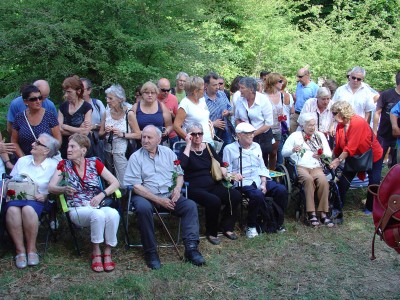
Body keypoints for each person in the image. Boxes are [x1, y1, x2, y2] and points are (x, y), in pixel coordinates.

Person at [123, 125, 205, 270]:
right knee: (143, 208)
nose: (145, 140)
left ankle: (191, 249)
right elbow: (135, 186)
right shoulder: (135, 157)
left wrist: (178, 189)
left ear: (159, 139)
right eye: (143, 137)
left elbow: (179, 174)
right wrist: (158, 200)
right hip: (145, 196)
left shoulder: (168, 153)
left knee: (190, 206)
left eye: (149, 137)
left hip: (169, 194)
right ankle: (151, 252)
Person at [49, 133, 120, 272]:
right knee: (98, 215)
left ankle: (108, 251)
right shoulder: (64, 165)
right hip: (78, 208)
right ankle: (96, 252)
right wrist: (63, 189)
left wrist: (101, 195)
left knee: (113, 214)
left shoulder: (94, 163)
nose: (68, 149)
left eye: (72, 146)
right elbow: (51, 187)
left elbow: (115, 182)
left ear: (83, 150)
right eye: (68, 146)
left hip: (97, 204)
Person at [179, 122, 241, 245]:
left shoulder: (207, 147)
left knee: (235, 195)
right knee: (214, 200)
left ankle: (226, 227)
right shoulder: (184, 150)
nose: (197, 136)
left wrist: (225, 170)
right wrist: (188, 144)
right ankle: (211, 232)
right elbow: (182, 166)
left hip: (212, 184)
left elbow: (220, 162)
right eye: (193, 134)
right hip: (194, 188)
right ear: (188, 135)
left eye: (200, 134)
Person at [4, 133, 60, 269]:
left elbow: (56, 187)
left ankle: (31, 249)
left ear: (46, 150)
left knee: (28, 209)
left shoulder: (54, 165)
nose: (33, 144)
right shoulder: (23, 160)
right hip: (16, 197)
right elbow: (10, 181)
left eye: (38, 143)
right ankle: (20, 250)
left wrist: (46, 195)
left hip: (38, 200)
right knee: (12, 210)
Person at [223, 123, 288, 238]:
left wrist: (263, 183)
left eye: (252, 133)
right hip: (243, 181)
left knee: (281, 189)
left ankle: (277, 222)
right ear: (239, 135)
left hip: (258, 179)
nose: (252, 135)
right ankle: (251, 226)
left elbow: (262, 167)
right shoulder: (229, 149)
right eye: (248, 133)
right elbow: (226, 171)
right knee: (257, 194)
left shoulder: (256, 146)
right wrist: (233, 174)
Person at [329, 101, 383, 220]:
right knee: (343, 181)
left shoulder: (358, 122)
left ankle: (370, 207)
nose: (332, 115)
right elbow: (338, 146)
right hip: (354, 158)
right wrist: (332, 159)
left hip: (372, 155)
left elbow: (350, 147)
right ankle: (337, 206)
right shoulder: (340, 125)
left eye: (334, 113)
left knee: (374, 181)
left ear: (342, 113)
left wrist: (338, 160)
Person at [282, 113, 333, 227]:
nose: (312, 127)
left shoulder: (320, 135)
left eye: (314, 125)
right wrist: (293, 150)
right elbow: (283, 152)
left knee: (323, 181)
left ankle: (323, 213)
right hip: (300, 166)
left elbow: (329, 153)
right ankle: (311, 213)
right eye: (309, 125)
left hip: (316, 166)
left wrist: (321, 154)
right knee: (308, 180)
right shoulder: (295, 136)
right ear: (303, 125)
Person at [99, 84, 140, 187]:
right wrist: (106, 132)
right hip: (107, 151)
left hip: (122, 153)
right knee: (110, 181)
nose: (107, 101)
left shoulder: (129, 113)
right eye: (107, 98)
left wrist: (122, 134)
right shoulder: (106, 113)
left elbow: (138, 134)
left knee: (123, 183)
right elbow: (100, 134)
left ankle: (125, 201)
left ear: (120, 99)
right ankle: (113, 201)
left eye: (110, 98)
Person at [11, 85, 61, 158]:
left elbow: (57, 140)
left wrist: (46, 157)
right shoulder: (19, 117)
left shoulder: (49, 116)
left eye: (40, 98)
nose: (38, 101)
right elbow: (14, 141)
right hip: (26, 159)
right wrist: (24, 159)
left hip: (46, 159)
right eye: (33, 99)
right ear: (25, 101)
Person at [235, 77, 273, 167]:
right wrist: (241, 132)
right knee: (246, 162)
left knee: (260, 162)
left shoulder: (263, 100)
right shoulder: (240, 100)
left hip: (261, 137)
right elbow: (237, 118)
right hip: (244, 137)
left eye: (242, 88)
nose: (240, 90)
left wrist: (252, 134)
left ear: (251, 89)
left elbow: (268, 123)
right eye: (239, 87)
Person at [58, 75, 92, 158]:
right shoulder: (62, 107)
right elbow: (59, 130)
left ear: (78, 91)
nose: (66, 95)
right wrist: (79, 130)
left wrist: (66, 126)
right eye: (65, 92)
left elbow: (85, 132)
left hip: (81, 148)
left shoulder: (87, 107)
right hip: (66, 147)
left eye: (69, 92)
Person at [174, 76, 213, 144]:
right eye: (203, 89)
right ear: (195, 91)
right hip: (194, 145)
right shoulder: (185, 104)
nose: (205, 90)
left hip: (208, 142)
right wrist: (190, 140)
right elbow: (176, 126)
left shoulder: (202, 100)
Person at [131, 81, 173, 146]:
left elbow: (169, 125)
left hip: (159, 144)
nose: (150, 95)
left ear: (156, 94)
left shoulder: (161, 106)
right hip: (140, 144)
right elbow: (131, 128)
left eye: (152, 93)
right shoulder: (136, 107)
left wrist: (166, 131)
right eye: (147, 93)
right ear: (142, 94)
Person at [264, 73, 290, 170]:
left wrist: (283, 118)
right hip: (266, 128)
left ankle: (272, 171)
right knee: (265, 151)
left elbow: (283, 110)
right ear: (273, 82)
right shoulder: (264, 96)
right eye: (280, 81)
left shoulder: (282, 96)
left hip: (277, 127)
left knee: (274, 152)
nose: (282, 83)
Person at [374, 72, 400, 168]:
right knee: (378, 160)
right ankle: (376, 181)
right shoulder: (386, 94)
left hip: (398, 137)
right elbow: (377, 112)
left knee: (395, 163)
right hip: (384, 133)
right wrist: (374, 130)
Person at [204, 72, 234, 152]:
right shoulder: (201, 99)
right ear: (206, 85)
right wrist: (213, 124)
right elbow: (197, 120)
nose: (217, 87)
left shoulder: (222, 95)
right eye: (214, 85)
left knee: (227, 155)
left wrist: (228, 112)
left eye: (218, 84)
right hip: (209, 135)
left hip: (225, 132)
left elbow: (231, 110)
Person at [81, 77, 106, 161]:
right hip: (79, 144)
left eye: (82, 89)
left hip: (96, 142)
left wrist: (93, 126)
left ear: (89, 90)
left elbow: (106, 123)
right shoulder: (72, 107)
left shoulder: (97, 104)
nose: (79, 92)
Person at [291, 68, 319, 133]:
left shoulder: (315, 88)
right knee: (292, 135)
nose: (299, 79)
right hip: (296, 114)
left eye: (300, 77)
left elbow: (316, 103)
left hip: (307, 115)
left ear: (307, 75)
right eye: (298, 76)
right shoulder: (299, 85)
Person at [157, 78, 180, 148]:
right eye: (163, 90)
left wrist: (172, 115)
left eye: (168, 90)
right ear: (157, 88)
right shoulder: (153, 99)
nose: (166, 92)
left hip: (172, 135)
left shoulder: (174, 99)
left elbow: (178, 119)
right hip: (156, 136)